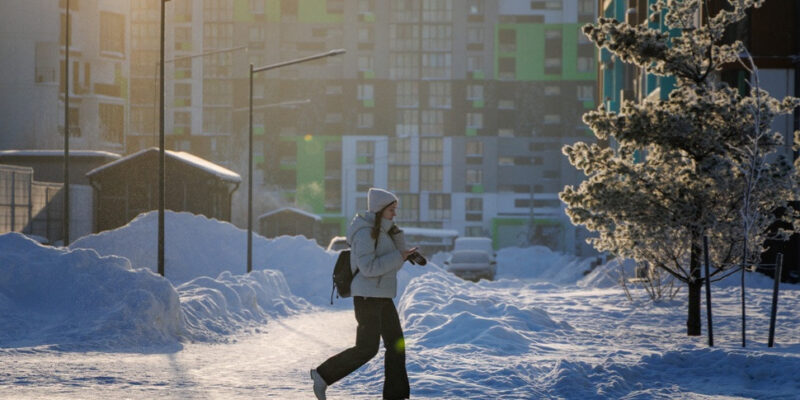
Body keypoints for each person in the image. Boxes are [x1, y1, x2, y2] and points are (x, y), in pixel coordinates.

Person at [311, 188, 418, 400]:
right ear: (379, 210)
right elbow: (368, 268)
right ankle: (322, 375)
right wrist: (398, 256)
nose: (394, 214)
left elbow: (389, 267)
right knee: (367, 348)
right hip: (368, 297)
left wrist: (402, 251)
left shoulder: (386, 232)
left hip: (382, 296)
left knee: (397, 345)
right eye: (391, 210)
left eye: (395, 209)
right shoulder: (364, 232)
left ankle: (395, 396)